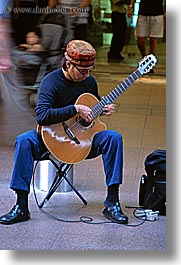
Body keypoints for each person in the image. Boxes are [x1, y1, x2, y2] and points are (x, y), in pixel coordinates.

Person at [0, 39, 128, 225]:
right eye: (83, 71)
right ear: (68, 64)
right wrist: (74, 109)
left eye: (90, 71)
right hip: (49, 140)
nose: (87, 75)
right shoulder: (50, 82)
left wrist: (102, 109)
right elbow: (42, 116)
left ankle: (112, 201)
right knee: (23, 140)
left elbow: (91, 110)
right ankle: (21, 206)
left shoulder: (89, 82)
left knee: (113, 138)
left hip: (82, 142)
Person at [128, 0, 165, 72]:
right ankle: (144, 57)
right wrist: (131, 6)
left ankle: (149, 63)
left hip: (157, 13)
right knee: (140, 39)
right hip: (143, 12)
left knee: (153, 40)